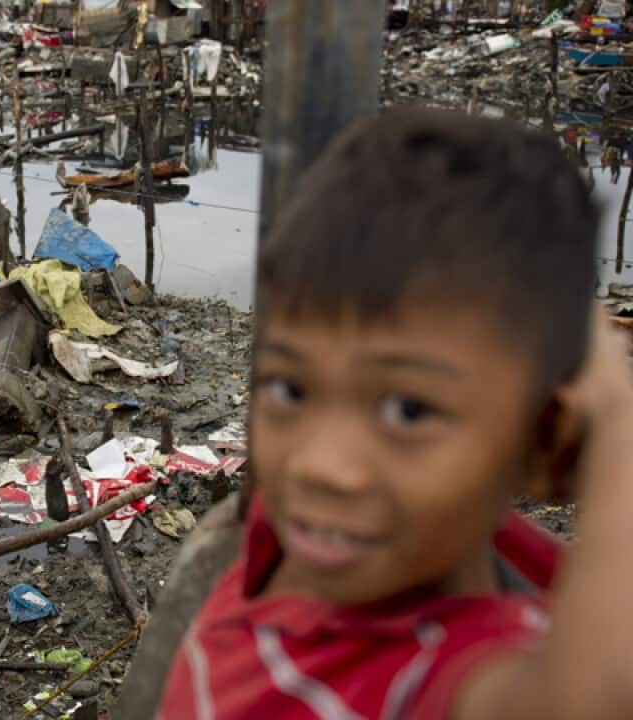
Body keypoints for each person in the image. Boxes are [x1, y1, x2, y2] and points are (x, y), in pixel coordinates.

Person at [158, 108, 633, 719]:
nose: (320, 466)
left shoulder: (453, 676)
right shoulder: (291, 537)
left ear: (544, 445)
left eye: (408, 411)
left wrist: (617, 415)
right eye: (290, 390)